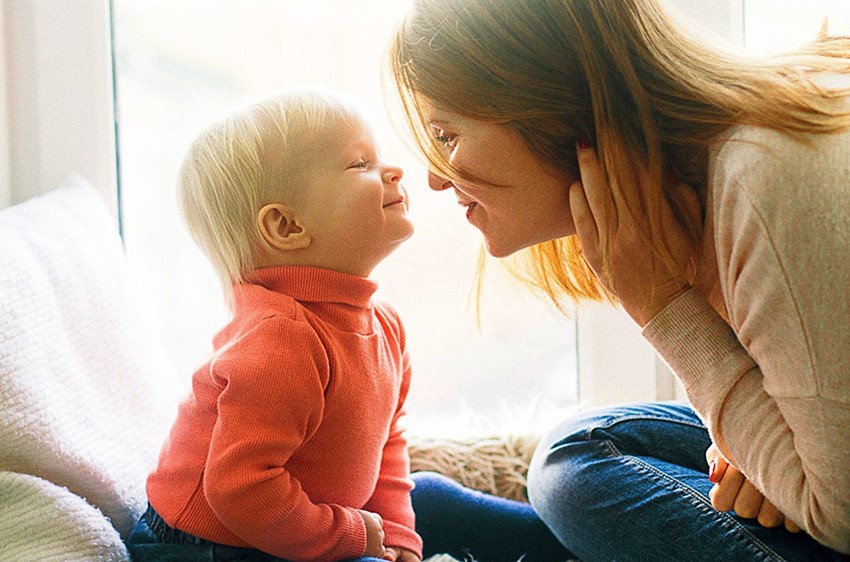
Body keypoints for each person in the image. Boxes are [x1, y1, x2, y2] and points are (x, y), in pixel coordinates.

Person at [386, 0, 850, 560]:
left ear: (548, 103)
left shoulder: (761, 182)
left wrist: (664, 307)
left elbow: (840, 514)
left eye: (445, 135)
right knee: (579, 449)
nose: (436, 178)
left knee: (574, 475)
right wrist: (763, 453)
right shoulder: (709, 184)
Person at [126, 88, 422, 562]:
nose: (393, 171)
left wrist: (398, 536)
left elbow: (388, 444)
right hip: (206, 545)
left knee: (435, 495)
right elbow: (242, 489)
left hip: (295, 521)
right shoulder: (282, 338)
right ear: (287, 227)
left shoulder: (386, 327)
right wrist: (350, 535)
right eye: (360, 164)